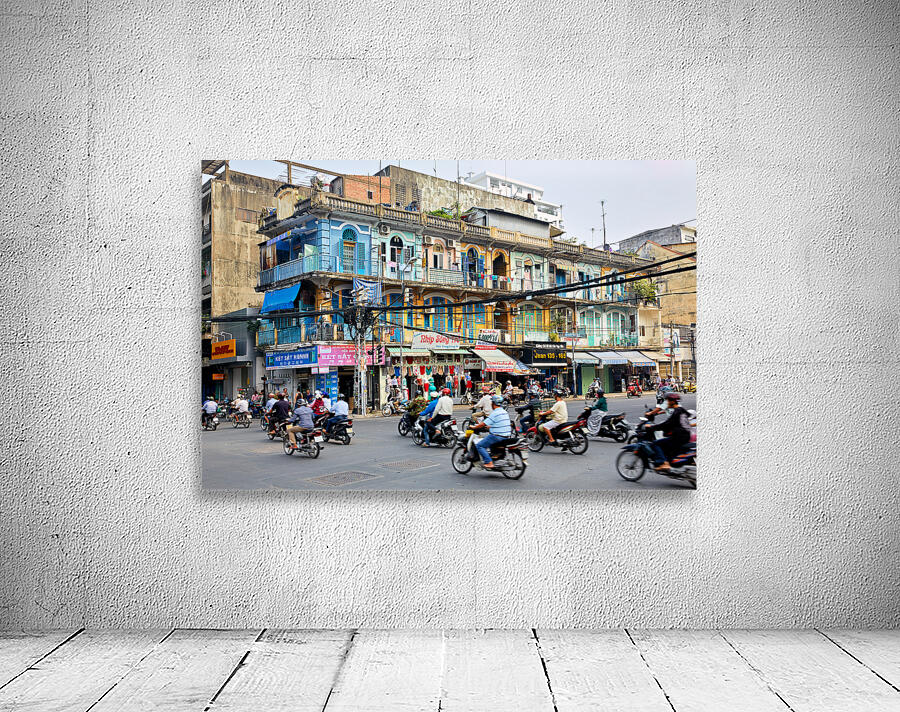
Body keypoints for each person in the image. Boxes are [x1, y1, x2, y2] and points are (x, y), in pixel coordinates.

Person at [646, 392, 692, 472]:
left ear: (672, 401)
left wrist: (652, 427)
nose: (667, 402)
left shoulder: (676, 412)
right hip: (687, 435)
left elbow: (666, 424)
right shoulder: (681, 410)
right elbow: (687, 417)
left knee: (656, 443)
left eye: (668, 401)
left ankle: (665, 463)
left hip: (679, 437)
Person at [473, 395, 513, 469]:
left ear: (493, 403)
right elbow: (501, 423)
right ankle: (494, 458)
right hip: (507, 435)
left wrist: (474, 427)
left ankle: (489, 462)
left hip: (497, 436)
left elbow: (483, 423)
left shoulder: (494, 413)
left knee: (480, 445)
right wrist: (490, 427)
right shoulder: (504, 411)